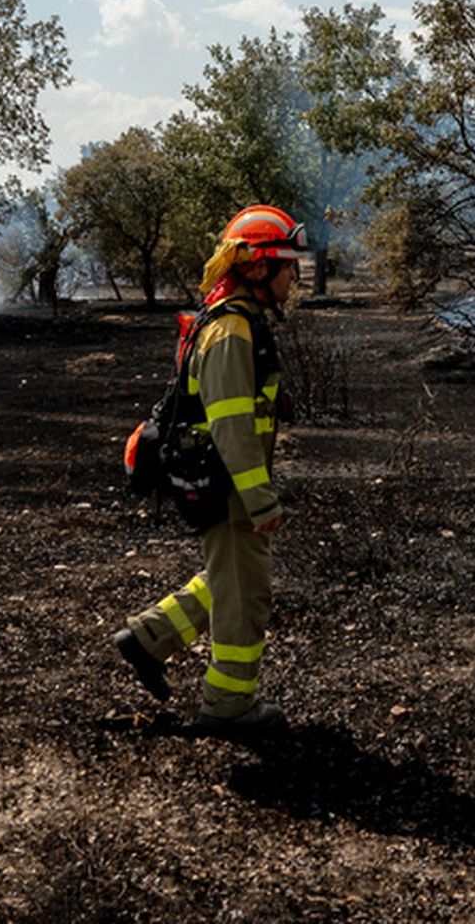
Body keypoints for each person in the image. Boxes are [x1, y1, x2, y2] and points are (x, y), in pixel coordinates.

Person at [112, 205, 304, 736]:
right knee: (246, 595)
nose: (295, 277)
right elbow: (232, 428)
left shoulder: (239, 322)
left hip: (227, 482)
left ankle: (149, 638)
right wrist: (262, 500)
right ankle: (227, 708)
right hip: (227, 485)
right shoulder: (231, 331)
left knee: (231, 578)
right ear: (259, 268)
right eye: (288, 265)